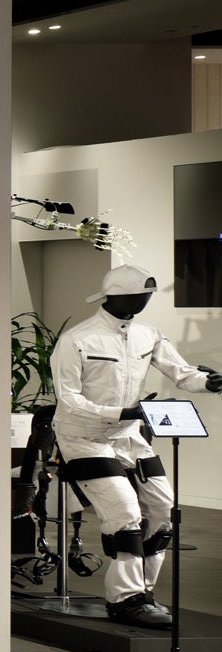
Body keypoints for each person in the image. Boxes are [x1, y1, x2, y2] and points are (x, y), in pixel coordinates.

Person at [51, 264, 222, 626]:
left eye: (147, 295)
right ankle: (125, 600)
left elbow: (182, 372)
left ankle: (144, 593)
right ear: (114, 296)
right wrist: (124, 411)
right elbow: (69, 400)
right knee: (124, 512)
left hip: (130, 436)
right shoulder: (77, 339)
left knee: (162, 509)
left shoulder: (148, 335)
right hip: (83, 437)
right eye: (138, 295)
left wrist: (207, 382)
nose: (144, 301)